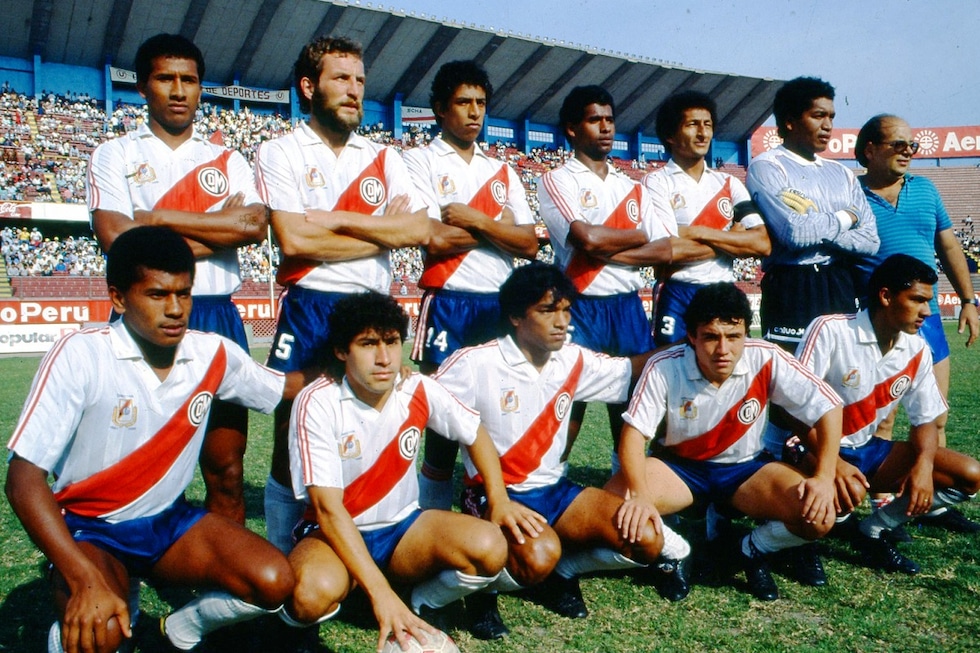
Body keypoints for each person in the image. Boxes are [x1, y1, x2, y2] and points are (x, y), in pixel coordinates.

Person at [4, 226, 316, 653]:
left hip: (167, 524)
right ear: (118, 297)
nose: (175, 309)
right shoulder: (80, 353)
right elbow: (23, 480)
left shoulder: (211, 353)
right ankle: (73, 629)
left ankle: (182, 629)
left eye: (184, 294)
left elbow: (284, 386)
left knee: (274, 580)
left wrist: (354, 366)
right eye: (157, 294)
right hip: (91, 529)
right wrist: (83, 577)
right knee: (103, 628)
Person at [435, 263, 689, 639]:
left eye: (566, 310)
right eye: (547, 310)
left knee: (647, 538)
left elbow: (630, 369)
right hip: (495, 495)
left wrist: (691, 345)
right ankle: (483, 592)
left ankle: (564, 572)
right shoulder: (475, 363)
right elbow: (421, 404)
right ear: (516, 317)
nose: (561, 322)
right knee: (539, 556)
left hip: (555, 489)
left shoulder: (573, 358)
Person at [281, 291, 544, 650]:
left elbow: (474, 431)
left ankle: (423, 602)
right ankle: (304, 626)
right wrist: (381, 595)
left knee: (490, 545)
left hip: (403, 529)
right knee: (310, 594)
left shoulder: (415, 386)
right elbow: (328, 510)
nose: (384, 357)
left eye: (391, 342)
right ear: (342, 351)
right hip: (334, 534)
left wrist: (497, 499)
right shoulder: (318, 401)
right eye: (368, 343)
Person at [254, 36, 430, 553]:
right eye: (340, 79)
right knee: (291, 433)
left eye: (358, 80)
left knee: (379, 422)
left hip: (374, 314)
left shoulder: (384, 157)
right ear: (309, 86)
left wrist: (336, 223)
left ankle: (383, 539)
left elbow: (416, 231)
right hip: (311, 304)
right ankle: (287, 556)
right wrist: (379, 229)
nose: (353, 91)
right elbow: (295, 239)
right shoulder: (279, 151)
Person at [88, 33, 270, 524]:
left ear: (200, 88)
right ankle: (120, 574)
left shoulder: (228, 159)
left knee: (226, 469)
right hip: (143, 317)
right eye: (165, 78)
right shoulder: (114, 154)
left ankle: (225, 589)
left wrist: (154, 220)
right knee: (128, 462)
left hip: (215, 314)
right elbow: (117, 243)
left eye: (188, 80)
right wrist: (220, 231)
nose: (178, 90)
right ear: (144, 86)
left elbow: (253, 227)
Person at [608, 282, 844, 601]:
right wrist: (639, 495)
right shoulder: (665, 365)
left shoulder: (767, 357)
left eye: (734, 337)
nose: (724, 349)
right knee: (611, 509)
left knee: (818, 517)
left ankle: (750, 548)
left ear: (746, 333)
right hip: (680, 469)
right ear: (691, 336)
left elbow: (828, 406)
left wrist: (825, 477)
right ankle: (676, 551)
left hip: (745, 471)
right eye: (710, 337)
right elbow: (634, 436)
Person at [403, 60, 539, 511]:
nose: (475, 112)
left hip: (499, 308)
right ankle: (434, 520)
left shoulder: (502, 171)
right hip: (448, 302)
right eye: (463, 102)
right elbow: (434, 237)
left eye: (481, 103)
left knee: (498, 415)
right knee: (443, 422)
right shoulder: (417, 160)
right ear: (440, 109)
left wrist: (472, 217)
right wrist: (499, 228)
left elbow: (529, 244)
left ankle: (488, 512)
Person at [793, 254, 980, 573]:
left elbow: (925, 420)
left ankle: (874, 530)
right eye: (918, 300)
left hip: (864, 451)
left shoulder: (917, 348)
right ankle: (796, 543)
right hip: (806, 447)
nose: (926, 311)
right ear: (885, 296)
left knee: (969, 475)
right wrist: (832, 463)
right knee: (840, 500)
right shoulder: (831, 330)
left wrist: (923, 466)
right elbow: (791, 409)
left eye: (929, 302)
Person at [854, 114, 980, 535]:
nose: (909, 151)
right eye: (898, 144)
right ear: (870, 148)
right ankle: (884, 502)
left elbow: (948, 245)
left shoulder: (925, 190)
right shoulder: (851, 193)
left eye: (913, 146)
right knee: (884, 419)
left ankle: (930, 503)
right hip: (880, 320)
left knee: (935, 415)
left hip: (925, 320)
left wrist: (967, 300)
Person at [537, 85, 676, 461]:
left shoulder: (632, 187)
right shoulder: (557, 180)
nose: (605, 127)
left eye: (610, 119)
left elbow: (665, 249)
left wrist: (606, 245)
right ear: (571, 128)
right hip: (579, 305)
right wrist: (637, 235)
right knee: (570, 405)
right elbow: (586, 239)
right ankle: (551, 485)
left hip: (627, 306)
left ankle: (626, 492)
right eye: (594, 119)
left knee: (630, 411)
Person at [746, 76, 879, 353]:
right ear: (790, 121)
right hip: (793, 283)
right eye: (818, 116)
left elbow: (870, 240)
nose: (828, 125)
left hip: (840, 280)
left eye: (831, 116)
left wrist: (820, 230)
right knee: (792, 382)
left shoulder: (842, 174)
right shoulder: (767, 167)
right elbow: (793, 233)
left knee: (844, 378)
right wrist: (845, 219)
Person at [643, 90, 771, 346]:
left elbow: (762, 243)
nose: (703, 133)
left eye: (708, 125)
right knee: (673, 369)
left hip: (723, 290)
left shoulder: (729, 183)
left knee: (728, 371)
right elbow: (670, 248)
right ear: (670, 135)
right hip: (679, 291)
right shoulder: (655, 182)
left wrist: (696, 231)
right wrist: (732, 241)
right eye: (692, 125)